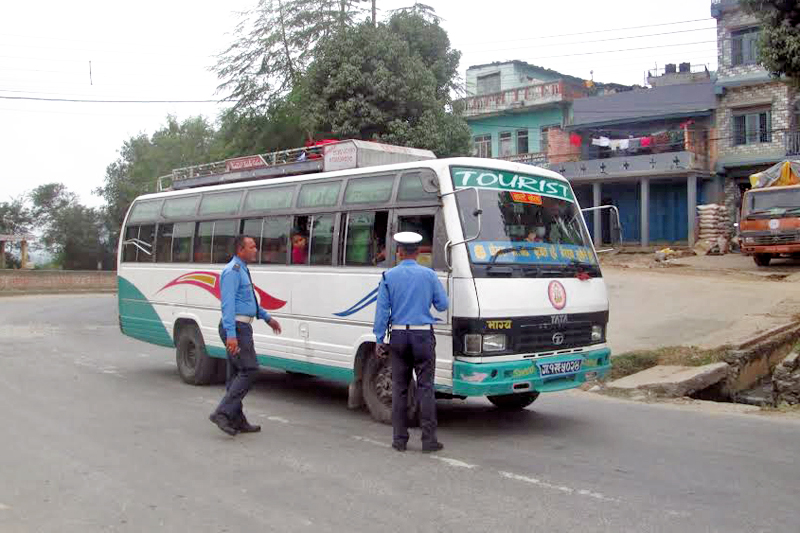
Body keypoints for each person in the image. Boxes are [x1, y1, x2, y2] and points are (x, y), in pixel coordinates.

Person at [373, 232, 449, 453]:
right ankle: (429, 441)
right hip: (422, 336)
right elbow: (442, 305)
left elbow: (382, 312)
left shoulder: (388, 276)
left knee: (399, 389)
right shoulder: (429, 275)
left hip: (398, 337)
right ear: (418, 252)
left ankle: (399, 440)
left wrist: (379, 339)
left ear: (399, 252)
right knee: (425, 388)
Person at [209, 235, 282, 436]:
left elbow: (250, 302)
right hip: (236, 329)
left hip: (242, 327)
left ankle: (237, 419)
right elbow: (228, 305)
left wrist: (267, 318)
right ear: (241, 250)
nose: (256, 249)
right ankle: (222, 412)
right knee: (250, 370)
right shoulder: (231, 271)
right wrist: (232, 335)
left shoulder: (242, 269)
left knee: (234, 376)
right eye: (252, 246)